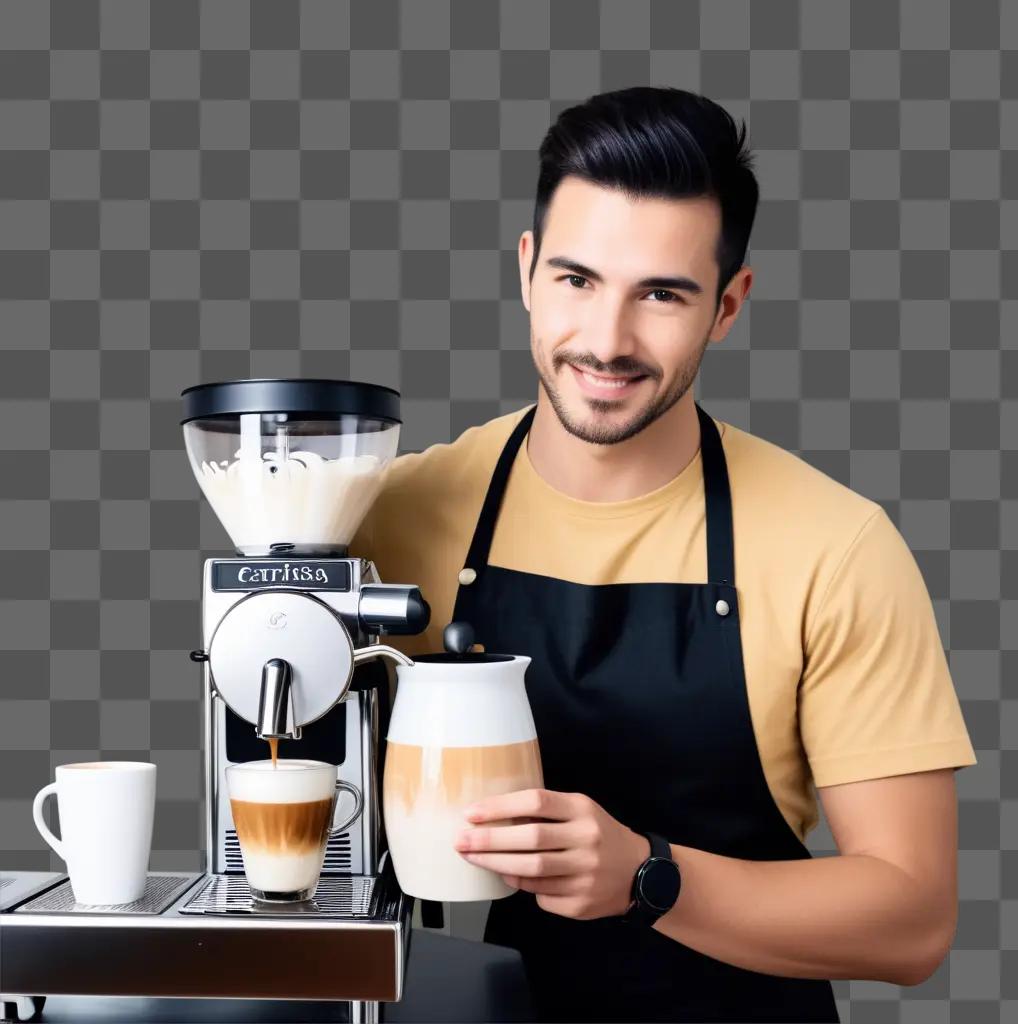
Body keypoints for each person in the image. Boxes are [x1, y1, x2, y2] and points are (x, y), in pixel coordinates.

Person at [350, 86, 976, 1023]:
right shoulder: (391, 517)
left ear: (728, 305)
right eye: (577, 280)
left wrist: (651, 878)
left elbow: (913, 921)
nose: (607, 341)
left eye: (662, 294)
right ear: (526, 270)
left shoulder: (835, 548)